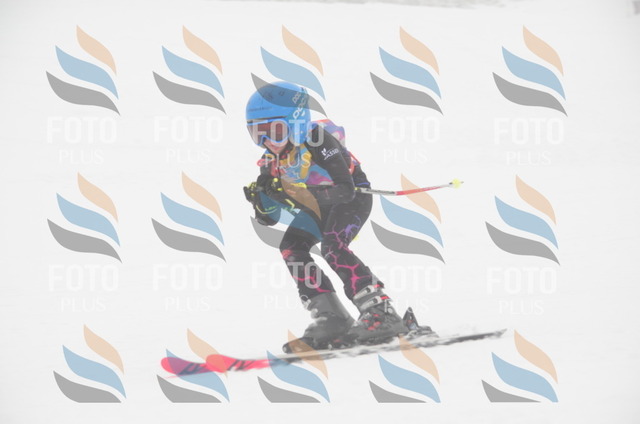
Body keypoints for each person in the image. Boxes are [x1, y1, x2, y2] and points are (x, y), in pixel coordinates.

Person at [243, 81, 406, 352]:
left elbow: (345, 189)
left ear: (296, 123)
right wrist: (262, 200)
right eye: (257, 133)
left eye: (275, 131)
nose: (268, 141)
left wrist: (293, 193)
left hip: (352, 198)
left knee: (333, 247)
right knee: (291, 247)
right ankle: (331, 317)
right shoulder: (270, 162)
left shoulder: (318, 140)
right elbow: (269, 220)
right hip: (319, 206)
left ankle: (381, 311)